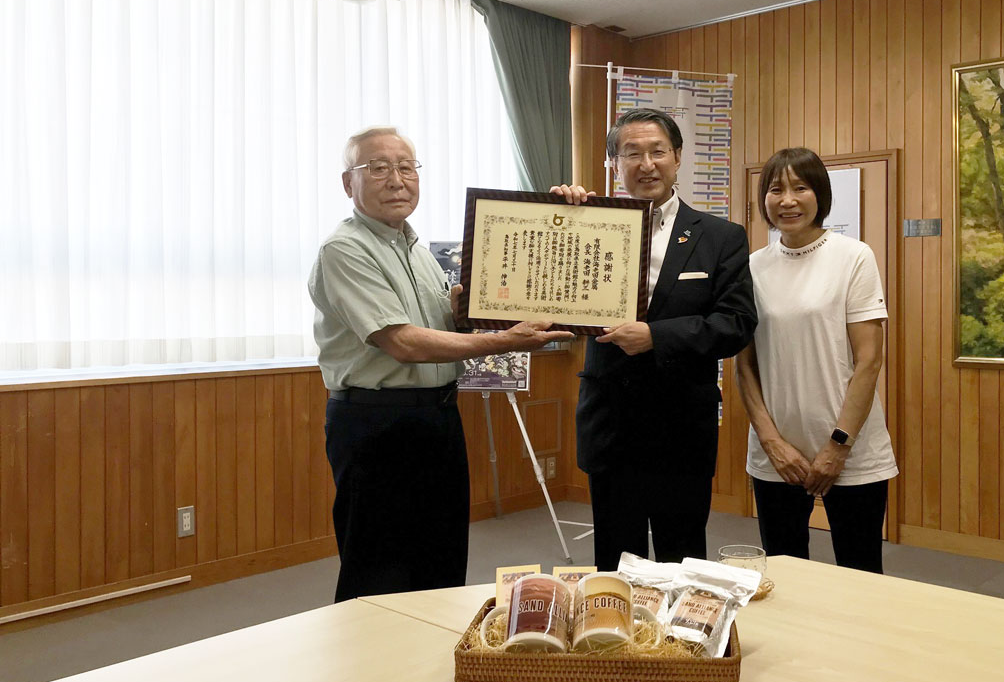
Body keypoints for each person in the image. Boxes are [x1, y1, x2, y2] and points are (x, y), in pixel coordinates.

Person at [309, 126, 571, 602]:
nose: (396, 180)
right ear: (349, 183)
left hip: (438, 417)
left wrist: (462, 311)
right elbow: (403, 343)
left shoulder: (416, 249)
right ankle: (375, 676)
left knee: (441, 557)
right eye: (379, 168)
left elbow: (438, 328)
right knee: (379, 568)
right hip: (376, 425)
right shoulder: (344, 249)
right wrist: (506, 340)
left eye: (406, 167)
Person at [552, 108, 757, 571]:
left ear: (678, 157)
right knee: (614, 563)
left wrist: (656, 337)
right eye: (632, 153)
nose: (646, 164)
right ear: (613, 164)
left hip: (681, 425)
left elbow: (737, 323)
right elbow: (543, 287)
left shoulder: (721, 237)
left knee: (682, 558)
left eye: (657, 151)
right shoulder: (586, 223)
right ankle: (616, 644)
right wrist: (552, 217)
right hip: (612, 423)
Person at [735, 147, 897, 573]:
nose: (787, 200)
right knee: (786, 575)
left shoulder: (853, 257)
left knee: (861, 575)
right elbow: (745, 365)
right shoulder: (751, 268)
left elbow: (869, 361)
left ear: (819, 195)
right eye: (775, 189)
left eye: (799, 188)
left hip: (851, 452)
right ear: (764, 200)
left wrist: (837, 445)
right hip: (777, 457)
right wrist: (771, 441)